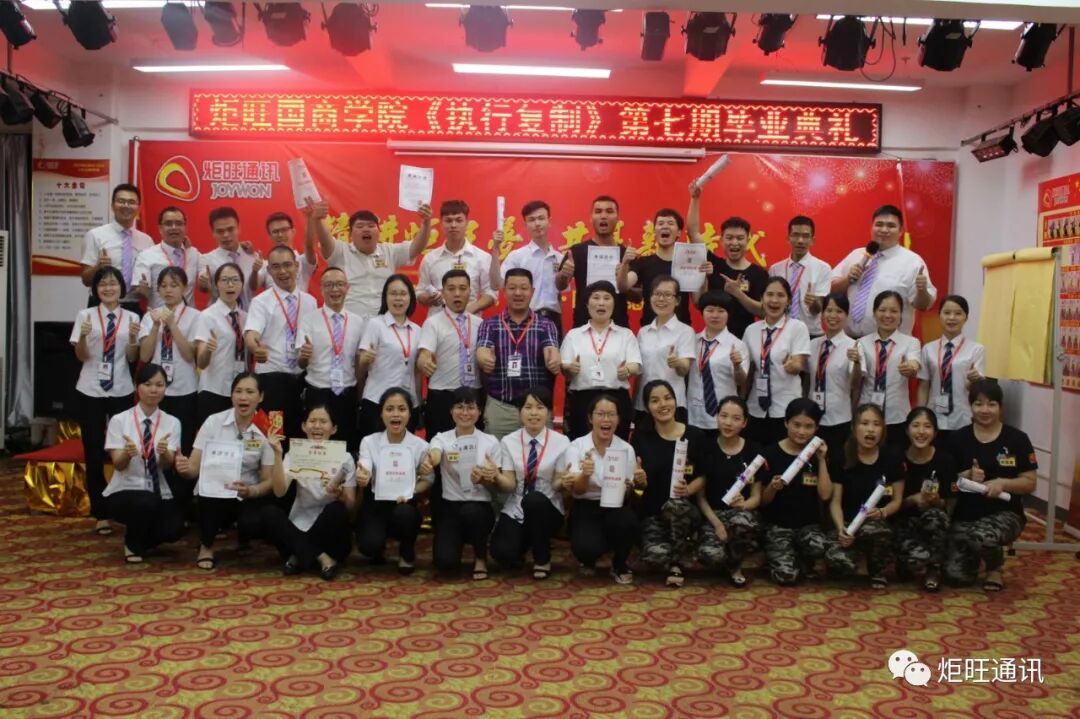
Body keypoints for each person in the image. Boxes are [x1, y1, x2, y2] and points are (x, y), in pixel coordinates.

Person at [174, 373, 277, 571]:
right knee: (208, 496)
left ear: (261, 397)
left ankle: (244, 538)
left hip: (246, 494)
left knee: (256, 519)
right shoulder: (213, 422)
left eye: (250, 392)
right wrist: (184, 468)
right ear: (231, 396)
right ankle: (206, 546)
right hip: (214, 492)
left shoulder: (267, 428)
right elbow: (193, 468)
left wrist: (251, 491)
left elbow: (268, 480)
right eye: (238, 391)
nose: (243, 397)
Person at [945, 379, 1036, 592]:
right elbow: (947, 483)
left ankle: (995, 566)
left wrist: (1003, 483)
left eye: (991, 404)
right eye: (979, 404)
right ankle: (974, 556)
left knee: (982, 537)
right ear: (971, 406)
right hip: (965, 516)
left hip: (1005, 514)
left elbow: (1030, 482)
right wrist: (966, 475)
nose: (985, 410)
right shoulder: (957, 439)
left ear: (1000, 407)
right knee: (955, 577)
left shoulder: (1017, 439)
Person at [71, 266, 142, 536]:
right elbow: (80, 356)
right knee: (93, 449)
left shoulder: (132, 317)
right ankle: (100, 512)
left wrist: (133, 339)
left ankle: (124, 506)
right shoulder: (85, 315)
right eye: (103, 284)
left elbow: (132, 358)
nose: (108, 288)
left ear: (121, 288)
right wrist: (83, 336)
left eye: (113, 283)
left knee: (125, 449)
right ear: (95, 289)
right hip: (90, 389)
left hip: (121, 388)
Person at [262, 405, 356, 580]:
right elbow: (279, 492)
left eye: (323, 422)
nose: (317, 426)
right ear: (304, 426)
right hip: (299, 526)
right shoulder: (295, 454)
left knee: (337, 510)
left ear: (334, 428)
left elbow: (350, 505)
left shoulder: (345, 458)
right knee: (269, 513)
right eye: (312, 421)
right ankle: (322, 558)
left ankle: (300, 555)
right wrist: (277, 454)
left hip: (329, 533)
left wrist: (340, 494)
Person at [103, 363, 184, 563]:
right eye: (147, 384)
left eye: (159, 385)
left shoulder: (172, 422)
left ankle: (141, 539)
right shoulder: (119, 420)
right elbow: (118, 465)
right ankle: (132, 544)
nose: (153, 390)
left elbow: (166, 465)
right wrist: (127, 454)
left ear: (165, 388)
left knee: (175, 529)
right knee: (144, 502)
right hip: (125, 489)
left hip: (158, 489)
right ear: (136, 386)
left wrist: (164, 453)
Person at [490, 386, 573, 579]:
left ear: (549, 412)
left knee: (534, 501)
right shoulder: (508, 442)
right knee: (501, 553)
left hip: (548, 507)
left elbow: (557, 485)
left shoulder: (562, 442)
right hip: (516, 507)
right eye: (528, 407)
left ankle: (542, 558)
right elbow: (510, 485)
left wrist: (564, 481)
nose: (534, 413)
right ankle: (525, 542)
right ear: (520, 412)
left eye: (540, 407)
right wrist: (496, 476)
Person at [633, 380, 708, 588]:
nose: (663, 404)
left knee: (676, 506)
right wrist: (639, 484)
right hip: (654, 513)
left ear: (676, 401)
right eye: (655, 401)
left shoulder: (695, 435)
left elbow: (704, 476)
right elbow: (636, 490)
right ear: (647, 407)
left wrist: (688, 489)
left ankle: (676, 562)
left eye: (667, 398)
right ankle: (672, 548)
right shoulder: (640, 438)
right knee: (654, 559)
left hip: (685, 511)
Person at [137, 267, 200, 511]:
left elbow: (190, 355)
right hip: (157, 393)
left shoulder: (195, 317)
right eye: (163, 285)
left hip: (184, 389)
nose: (168, 290)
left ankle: (181, 505)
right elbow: (144, 356)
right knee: (158, 445)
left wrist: (172, 325)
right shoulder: (150, 316)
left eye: (174, 285)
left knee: (182, 447)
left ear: (184, 288)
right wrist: (155, 326)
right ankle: (158, 500)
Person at [564, 394, 645, 584]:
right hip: (586, 505)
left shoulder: (626, 449)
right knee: (586, 547)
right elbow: (578, 491)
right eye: (600, 414)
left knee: (628, 521)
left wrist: (638, 484)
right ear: (590, 418)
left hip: (615, 506)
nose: (606, 419)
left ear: (619, 419)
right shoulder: (577, 446)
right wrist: (585, 475)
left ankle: (619, 564)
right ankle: (590, 558)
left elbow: (632, 494)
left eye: (611, 414)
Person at [825, 403, 906, 589]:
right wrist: (841, 529)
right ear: (854, 428)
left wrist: (883, 512)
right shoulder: (841, 456)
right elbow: (835, 502)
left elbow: (897, 500)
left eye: (876, 424)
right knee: (838, 564)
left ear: (883, 429)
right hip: (848, 522)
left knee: (877, 531)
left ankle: (877, 570)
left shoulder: (892, 457)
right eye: (865, 423)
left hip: (876, 522)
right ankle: (854, 556)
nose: (870, 429)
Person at [355, 388, 434, 575]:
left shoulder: (421, 446)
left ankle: (406, 552)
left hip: (404, 502)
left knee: (406, 514)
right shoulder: (369, 441)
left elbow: (429, 479)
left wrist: (411, 491)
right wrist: (363, 475)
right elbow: (365, 465)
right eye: (389, 409)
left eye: (401, 409)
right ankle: (378, 548)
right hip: (376, 502)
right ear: (381, 413)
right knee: (368, 545)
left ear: (410, 413)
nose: (395, 414)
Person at [244, 246, 319, 444]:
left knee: (299, 436)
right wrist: (255, 348)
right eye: (276, 267)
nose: (283, 271)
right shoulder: (261, 302)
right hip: (273, 379)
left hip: (302, 378)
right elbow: (251, 334)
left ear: (297, 266)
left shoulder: (310, 302)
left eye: (287, 265)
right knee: (274, 438)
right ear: (269, 271)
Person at [476, 268, 562, 439]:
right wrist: (484, 359)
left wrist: (553, 360)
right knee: (496, 455)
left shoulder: (546, 325)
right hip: (501, 408)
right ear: (504, 291)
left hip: (537, 408)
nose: (518, 293)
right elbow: (482, 349)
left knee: (541, 455)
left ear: (532, 291)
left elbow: (551, 349)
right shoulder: (489, 324)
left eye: (523, 288)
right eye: (512, 288)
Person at [311, 199, 431, 319]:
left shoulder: (389, 251)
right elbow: (324, 240)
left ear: (379, 232)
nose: (366, 229)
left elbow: (416, 247)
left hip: (383, 321)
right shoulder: (340, 251)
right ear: (350, 234)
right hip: (350, 321)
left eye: (371, 226)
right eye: (360, 226)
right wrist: (317, 220)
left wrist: (426, 223)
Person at [830, 204, 937, 338]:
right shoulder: (857, 255)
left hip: (890, 344)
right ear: (872, 227)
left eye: (891, 226)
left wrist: (922, 290)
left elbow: (923, 306)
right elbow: (829, 289)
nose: (884, 230)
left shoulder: (913, 262)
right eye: (879, 224)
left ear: (900, 231)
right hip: (850, 341)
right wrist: (847, 280)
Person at [427, 387, 501, 580]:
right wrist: (431, 460)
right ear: (451, 411)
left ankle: (480, 558)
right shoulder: (442, 438)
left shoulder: (490, 442)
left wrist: (486, 478)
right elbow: (435, 454)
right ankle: (455, 545)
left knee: (472, 512)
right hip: (450, 506)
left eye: (471, 407)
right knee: (444, 563)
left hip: (480, 507)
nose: (465, 413)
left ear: (479, 411)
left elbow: (496, 487)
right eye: (460, 407)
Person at [758, 399, 832, 585]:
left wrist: (822, 461)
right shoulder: (770, 453)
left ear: (816, 428)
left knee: (823, 550)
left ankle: (801, 558)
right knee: (786, 577)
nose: (801, 431)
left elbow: (825, 495)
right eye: (796, 425)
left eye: (808, 426)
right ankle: (782, 557)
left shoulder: (817, 455)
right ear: (786, 423)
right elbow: (763, 501)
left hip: (808, 526)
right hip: (778, 526)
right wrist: (772, 488)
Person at [696, 396, 765, 587]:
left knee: (742, 523)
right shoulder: (707, 448)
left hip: (741, 514)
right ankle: (724, 554)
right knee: (711, 555)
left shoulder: (754, 450)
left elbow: (756, 497)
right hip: (713, 515)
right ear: (717, 417)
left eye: (736, 418)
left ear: (744, 422)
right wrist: (717, 524)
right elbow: (701, 498)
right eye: (724, 416)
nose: (728, 423)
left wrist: (744, 505)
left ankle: (735, 566)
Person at [560, 281, 641, 440]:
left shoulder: (625, 335)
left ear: (614, 304)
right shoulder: (574, 335)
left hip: (616, 400)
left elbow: (636, 364)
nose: (601, 303)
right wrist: (569, 368)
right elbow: (564, 366)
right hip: (583, 401)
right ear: (587, 304)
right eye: (596, 298)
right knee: (582, 449)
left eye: (607, 298)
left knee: (615, 448)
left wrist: (627, 370)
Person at [295, 267, 365, 453]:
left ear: (347, 288)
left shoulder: (358, 322)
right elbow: (301, 363)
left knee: (346, 446)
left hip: (347, 393)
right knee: (317, 448)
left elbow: (359, 362)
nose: (335, 289)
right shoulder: (309, 320)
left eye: (340, 284)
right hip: (318, 392)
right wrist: (304, 355)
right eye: (329, 285)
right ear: (321, 289)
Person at [688, 185, 769, 340]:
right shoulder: (713, 265)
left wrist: (738, 294)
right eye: (729, 238)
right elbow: (693, 232)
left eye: (740, 238)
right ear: (721, 240)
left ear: (748, 241)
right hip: (713, 340)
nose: (734, 243)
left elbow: (764, 312)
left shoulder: (759, 274)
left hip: (746, 340)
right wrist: (695, 198)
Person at [743, 278, 811, 445]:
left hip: (785, 407)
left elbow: (800, 363)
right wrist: (741, 400)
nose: (774, 300)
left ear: (788, 301)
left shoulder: (797, 327)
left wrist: (793, 365)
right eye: (770, 294)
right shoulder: (751, 330)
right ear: (761, 298)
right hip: (755, 406)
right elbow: (749, 370)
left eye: (780, 295)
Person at [896, 407, 956, 592]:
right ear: (907, 430)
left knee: (936, 516)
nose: (921, 431)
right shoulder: (896, 458)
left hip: (933, 524)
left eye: (927, 426)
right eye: (916, 426)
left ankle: (933, 569)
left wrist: (936, 502)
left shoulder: (945, 460)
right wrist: (913, 500)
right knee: (909, 567)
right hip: (903, 522)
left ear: (935, 433)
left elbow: (951, 504)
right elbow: (890, 504)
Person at [418, 269, 482, 439]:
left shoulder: (480, 324)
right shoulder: (432, 323)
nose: (457, 293)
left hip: (473, 394)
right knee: (439, 448)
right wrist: (424, 361)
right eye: (451, 289)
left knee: (472, 447)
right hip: (442, 396)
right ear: (443, 292)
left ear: (470, 292)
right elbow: (424, 352)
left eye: (462, 288)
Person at [358, 275, 423, 442]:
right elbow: (361, 365)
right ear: (385, 297)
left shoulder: (417, 330)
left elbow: (416, 372)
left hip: (407, 404)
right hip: (377, 402)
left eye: (403, 293)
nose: (398, 298)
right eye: (393, 293)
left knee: (404, 453)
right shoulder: (375, 324)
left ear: (411, 297)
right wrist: (365, 359)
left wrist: (418, 403)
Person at [856, 291, 922, 449]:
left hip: (897, 415)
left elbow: (914, 364)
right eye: (882, 310)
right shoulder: (861, 343)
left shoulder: (911, 343)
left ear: (901, 315)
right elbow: (857, 379)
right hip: (867, 415)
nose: (887, 315)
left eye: (894, 311)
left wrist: (910, 367)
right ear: (874, 313)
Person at [490, 200, 564, 341]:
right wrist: (495, 248)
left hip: (554, 320)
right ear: (525, 224)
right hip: (524, 320)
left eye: (541, 218)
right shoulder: (517, 256)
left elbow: (559, 297)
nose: (537, 223)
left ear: (549, 221)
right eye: (531, 220)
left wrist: (562, 330)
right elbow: (495, 284)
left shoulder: (559, 258)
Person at [917, 295, 986, 444]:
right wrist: (920, 415)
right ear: (939, 315)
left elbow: (976, 389)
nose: (952, 318)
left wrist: (974, 380)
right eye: (947, 313)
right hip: (933, 419)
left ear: (966, 317)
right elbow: (924, 386)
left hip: (963, 418)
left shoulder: (976, 350)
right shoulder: (928, 349)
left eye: (958, 313)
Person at [555, 196, 631, 328]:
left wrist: (622, 280)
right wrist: (563, 274)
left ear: (617, 218)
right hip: (583, 327)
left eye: (609, 211)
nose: (603, 216)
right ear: (591, 218)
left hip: (618, 328)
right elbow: (560, 285)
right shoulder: (576, 251)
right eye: (598, 211)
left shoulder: (627, 255)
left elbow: (637, 297)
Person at [616, 209, 697, 325]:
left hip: (681, 329)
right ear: (654, 231)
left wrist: (702, 275)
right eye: (660, 223)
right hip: (650, 329)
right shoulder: (643, 262)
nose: (665, 226)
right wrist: (624, 264)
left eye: (670, 223)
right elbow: (623, 286)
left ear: (679, 232)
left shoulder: (686, 264)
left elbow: (697, 301)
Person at [80, 183, 152, 312]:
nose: (126, 206)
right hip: (101, 304)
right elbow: (85, 280)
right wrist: (98, 267)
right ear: (113, 206)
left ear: (139, 208)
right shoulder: (95, 235)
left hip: (133, 305)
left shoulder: (146, 241)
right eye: (121, 201)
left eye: (131, 202)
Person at [633, 276, 695, 427]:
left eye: (667, 295)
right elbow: (639, 373)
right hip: (644, 404)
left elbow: (685, 369)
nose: (661, 299)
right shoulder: (643, 332)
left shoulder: (685, 331)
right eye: (657, 294)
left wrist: (677, 362)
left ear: (677, 300)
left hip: (671, 404)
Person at [417, 200, 497, 313]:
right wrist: (428, 299)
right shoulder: (430, 258)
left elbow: (491, 292)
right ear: (441, 223)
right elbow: (420, 291)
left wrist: (469, 310)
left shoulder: (482, 258)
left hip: (469, 320)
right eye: (448, 221)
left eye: (459, 220)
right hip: (437, 321)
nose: (453, 225)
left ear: (467, 223)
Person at [687, 291, 749, 437]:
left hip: (723, 418)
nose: (715, 315)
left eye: (721, 311)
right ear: (702, 313)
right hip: (694, 414)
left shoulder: (737, 345)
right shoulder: (692, 341)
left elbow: (741, 381)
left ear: (728, 314)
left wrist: (737, 366)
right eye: (710, 310)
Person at [808, 293, 862, 456]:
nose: (833, 315)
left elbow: (855, 385)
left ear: (847, 315)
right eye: (829, 310)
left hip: (839, 418)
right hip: (812, 418)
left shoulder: (854, 346)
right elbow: (807, 379)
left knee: (837, 462)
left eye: (839, 311)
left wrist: (857, 363)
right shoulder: (813, 344)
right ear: (822, 314)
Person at [193, 263, 248, 425]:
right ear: (216, 284)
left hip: (240, 390)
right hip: (214, 389)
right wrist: (208, 349)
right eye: (224, 280)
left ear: (242, 284)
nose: (230, 285)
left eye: (235, 280)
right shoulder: (207, 316)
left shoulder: (246, 317)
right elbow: (201, 363)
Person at [768, 215, 832, 337]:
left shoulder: (823, 268)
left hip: (810, 333)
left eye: (806, 236)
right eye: (795, 235)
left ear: (812, 240)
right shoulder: (775, 269)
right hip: (781, 332)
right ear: (788, 238)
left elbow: (818, 310)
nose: (800, 240)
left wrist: (813, 303)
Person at [133, 206, 199, 309]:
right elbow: (138, 292)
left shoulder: (194, 254)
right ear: (160, 228)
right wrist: (141, 291)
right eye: (168, 224)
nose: (174, 227)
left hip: (189, 317)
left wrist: (205, 282)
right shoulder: (146, 256)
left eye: (179, 223)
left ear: (185, 227)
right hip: (160, 316)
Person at [197, 206, 258, 310]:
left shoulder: (252, 256)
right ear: (213, 232)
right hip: (219, 317)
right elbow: (203, 287)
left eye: (230, 229)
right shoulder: (206, 260)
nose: (226, 235)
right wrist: (204, 283)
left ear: (238, 228)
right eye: (220, 231)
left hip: (249, 315)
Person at [253, 211, 319, 294]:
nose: (280, 235)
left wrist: (310, 218)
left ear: (293, 232)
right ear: (270, 236)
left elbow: (309, 246)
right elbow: (254, 286)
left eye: (284, 230)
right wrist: (255, 270)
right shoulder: (264, 265)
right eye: (275, 231)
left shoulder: (303, 261)